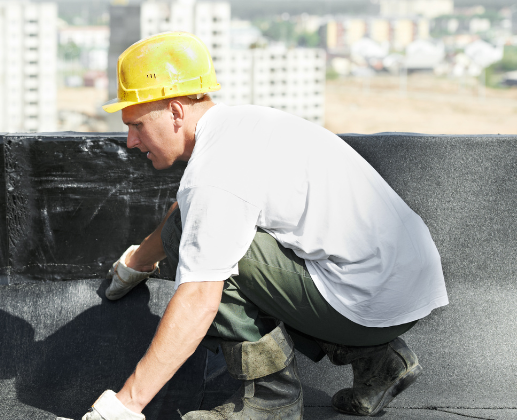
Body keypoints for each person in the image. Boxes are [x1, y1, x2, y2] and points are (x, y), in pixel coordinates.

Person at [73, 32, 448, 420]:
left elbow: (200, 296)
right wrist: (137, 262)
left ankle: (273, 401)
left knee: (210, 259)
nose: (131, 141)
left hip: (369, 302)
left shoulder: (215, 171)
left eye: (136, 124)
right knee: (196, 230)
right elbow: (191, 209)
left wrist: (126, 405)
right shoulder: (241, 124)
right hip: (398, 286)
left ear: (175, 111)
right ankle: (379, 363)